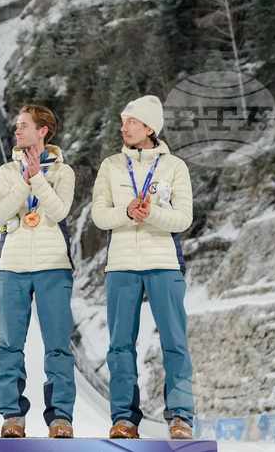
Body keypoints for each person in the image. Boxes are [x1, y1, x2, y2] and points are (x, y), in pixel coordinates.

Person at [91, 95, 195, 440]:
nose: (124, 127)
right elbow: (98, 215)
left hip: (163, 262)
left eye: (131, 122)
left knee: (174, 342)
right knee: (120, 345)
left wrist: (151, 213)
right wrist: (126, 212)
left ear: (150, 127)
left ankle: (180, 417)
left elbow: (182, 218)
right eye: (123, 121)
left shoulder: (174, 166)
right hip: (120, 265)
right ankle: (124, 418)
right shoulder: (110, 166)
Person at [0, 105, 76, 439]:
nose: (16, 131)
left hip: (54, 265)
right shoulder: (6, 171)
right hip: (12, 266)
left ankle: (60, 418)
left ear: (42, 131)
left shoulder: (63, 172)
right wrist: (23, 183)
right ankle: (13, 415)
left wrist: (37, 178)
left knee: (58, 345)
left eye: (23, 125)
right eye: (16, 126)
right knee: (10, 344)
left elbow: (58, 210)